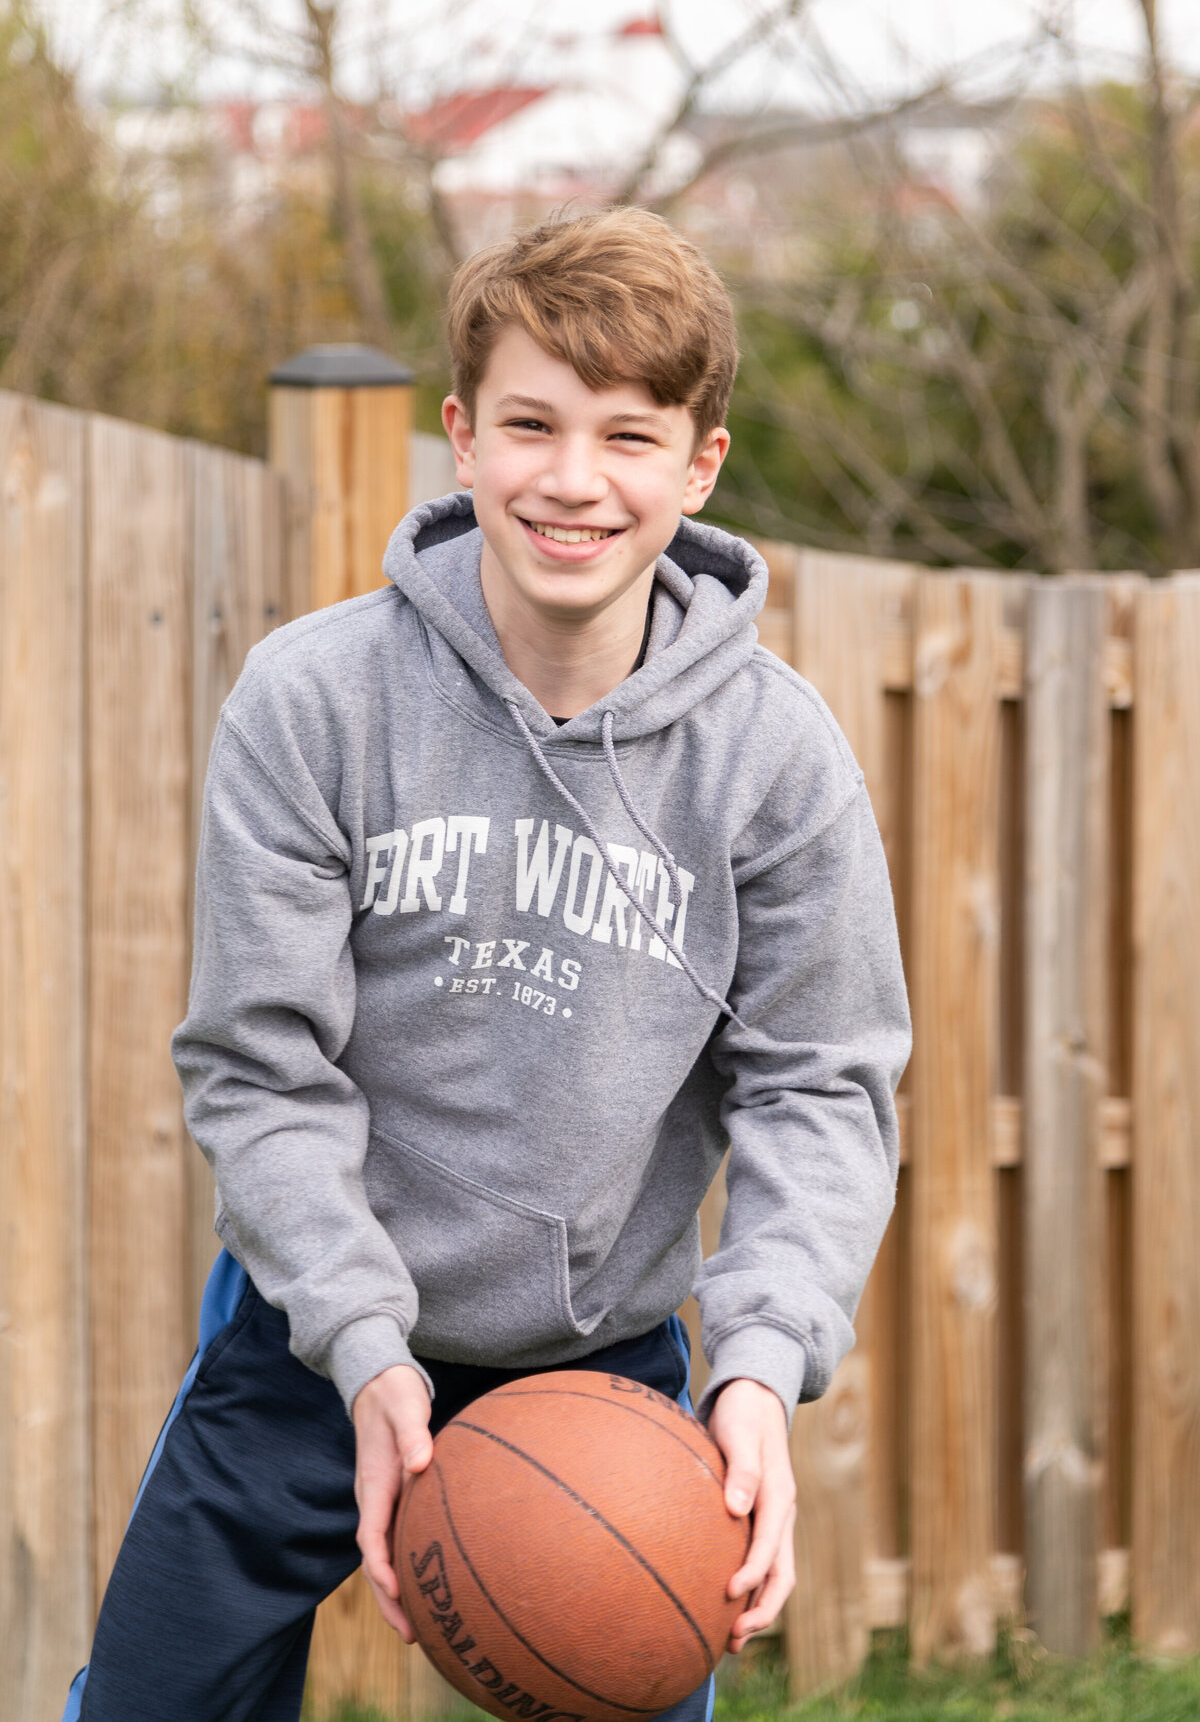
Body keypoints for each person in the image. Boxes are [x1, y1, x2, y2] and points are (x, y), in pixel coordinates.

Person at [64, 207, 910, 1722]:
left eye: (629, 436)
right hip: (310, 1338)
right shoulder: (315, 701)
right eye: (531, 423)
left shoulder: (775, 761)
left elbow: (822, 1086)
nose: (573, 479)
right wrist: (368, 1353)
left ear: (700, 464)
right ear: (460, 436)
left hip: (605, 1378)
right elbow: (260, 1068)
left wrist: (762, 1369)